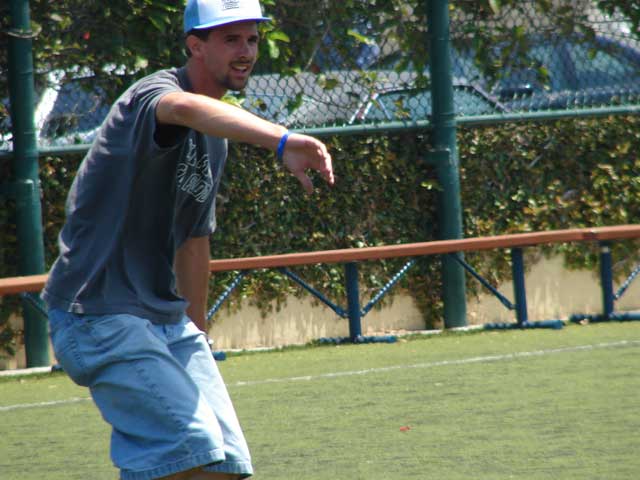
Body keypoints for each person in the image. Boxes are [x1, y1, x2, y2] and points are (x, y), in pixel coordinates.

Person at [41, 0, 334, 479]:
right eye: (230, 39)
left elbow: (194, 241)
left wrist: (196, 335)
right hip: (97, 312)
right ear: (195, 46)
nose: (246, 52)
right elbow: (182, 108)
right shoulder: (154, 93)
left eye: (252, 39)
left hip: (165, 320)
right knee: (188, 444)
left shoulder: (215, 139)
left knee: (228, 462)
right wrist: (281, 139)